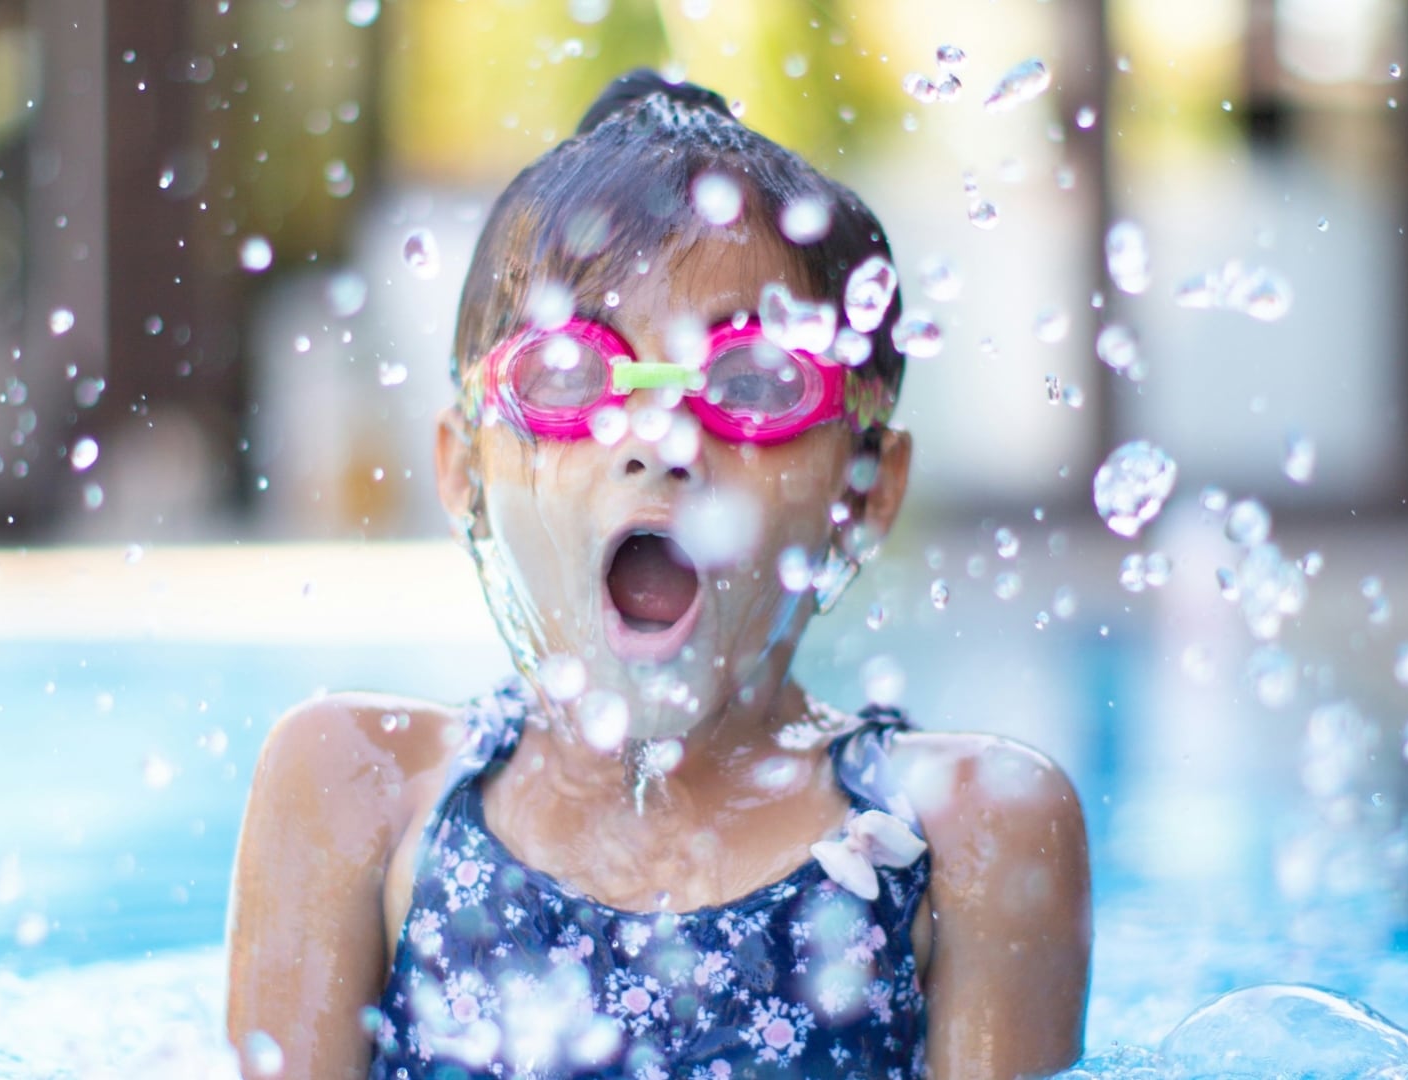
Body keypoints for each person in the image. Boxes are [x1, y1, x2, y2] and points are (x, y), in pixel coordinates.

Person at [225, 69, 1090, 1079]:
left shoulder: (967, 834)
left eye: (755, 382)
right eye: (571, 377)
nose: (660, 442)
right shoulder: (360, 790)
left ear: (864, 488)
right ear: (464, 465)